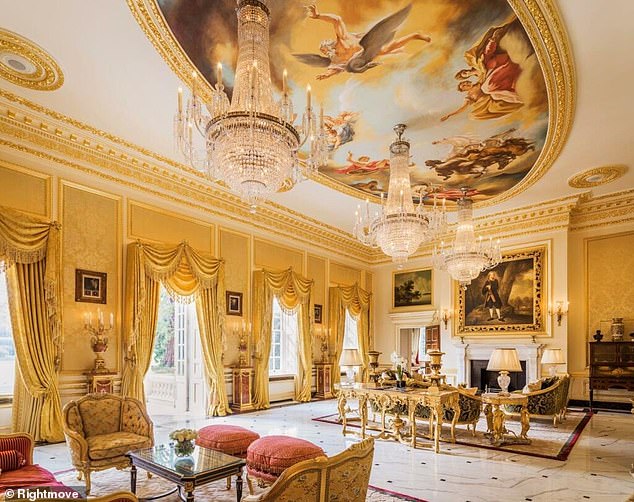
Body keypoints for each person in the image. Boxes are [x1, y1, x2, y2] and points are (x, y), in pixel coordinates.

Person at [294, 4, 431, 80]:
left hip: (367, 44)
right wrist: (327, 74)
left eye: (324, 49)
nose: (325, 52)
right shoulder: (336, 58)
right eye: (323, 52)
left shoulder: (342, 39)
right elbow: (337, 69)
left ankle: (414, 35)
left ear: (328, 45)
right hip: (364, 57)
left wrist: (318, 16)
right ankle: (412, 38)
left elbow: (337, 20)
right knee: (385, 50)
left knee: (386, 48)